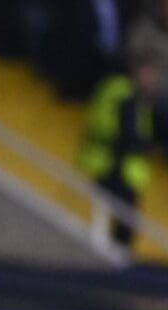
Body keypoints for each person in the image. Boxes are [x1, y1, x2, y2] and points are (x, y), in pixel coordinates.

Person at [78, 51, 162, 247]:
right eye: (151, 74)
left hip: (104, 163)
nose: (153, 81)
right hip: (118, 169)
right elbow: (127, 133)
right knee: (122, 228)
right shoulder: (127, 95)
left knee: (103, 220)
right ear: (140, 71)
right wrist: (149, 146)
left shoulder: (112, 87)